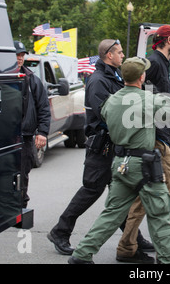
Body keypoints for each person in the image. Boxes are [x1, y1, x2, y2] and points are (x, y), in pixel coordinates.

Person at [47, 40, 153, 262]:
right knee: (91, 191)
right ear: (108, 55)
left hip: (113, 146)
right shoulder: (98, 81)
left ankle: (133, 238)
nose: (123, 55)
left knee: (121, 194)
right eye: (120, 52)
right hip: (102, 147)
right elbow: (107, 113)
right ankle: (60, 231)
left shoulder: (112, 76)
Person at [69, 57, 170, 264]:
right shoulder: (149, 99)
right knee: (160, 215)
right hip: (145, 165)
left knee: (111, 213)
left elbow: (103, 114)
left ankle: (82, 254)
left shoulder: (111, 101)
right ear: (142, 77)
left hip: (121, 163)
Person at [116, 25, 170, 264]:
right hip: (156, 141)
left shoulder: (159, 63)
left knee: (142, 197)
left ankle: (127, 247)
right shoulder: (154, 63)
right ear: (168, 40)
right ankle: (167, 252)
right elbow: (136, 94)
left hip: (154, 138)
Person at [15, 40, 50, 208]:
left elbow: (43, 108)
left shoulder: (32, 80)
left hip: (25, 136)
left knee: (23, 171)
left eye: (22, 55)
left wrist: (42, 132)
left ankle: (21, 205)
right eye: (17, 55)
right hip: (3, 137)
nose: (20, 58)